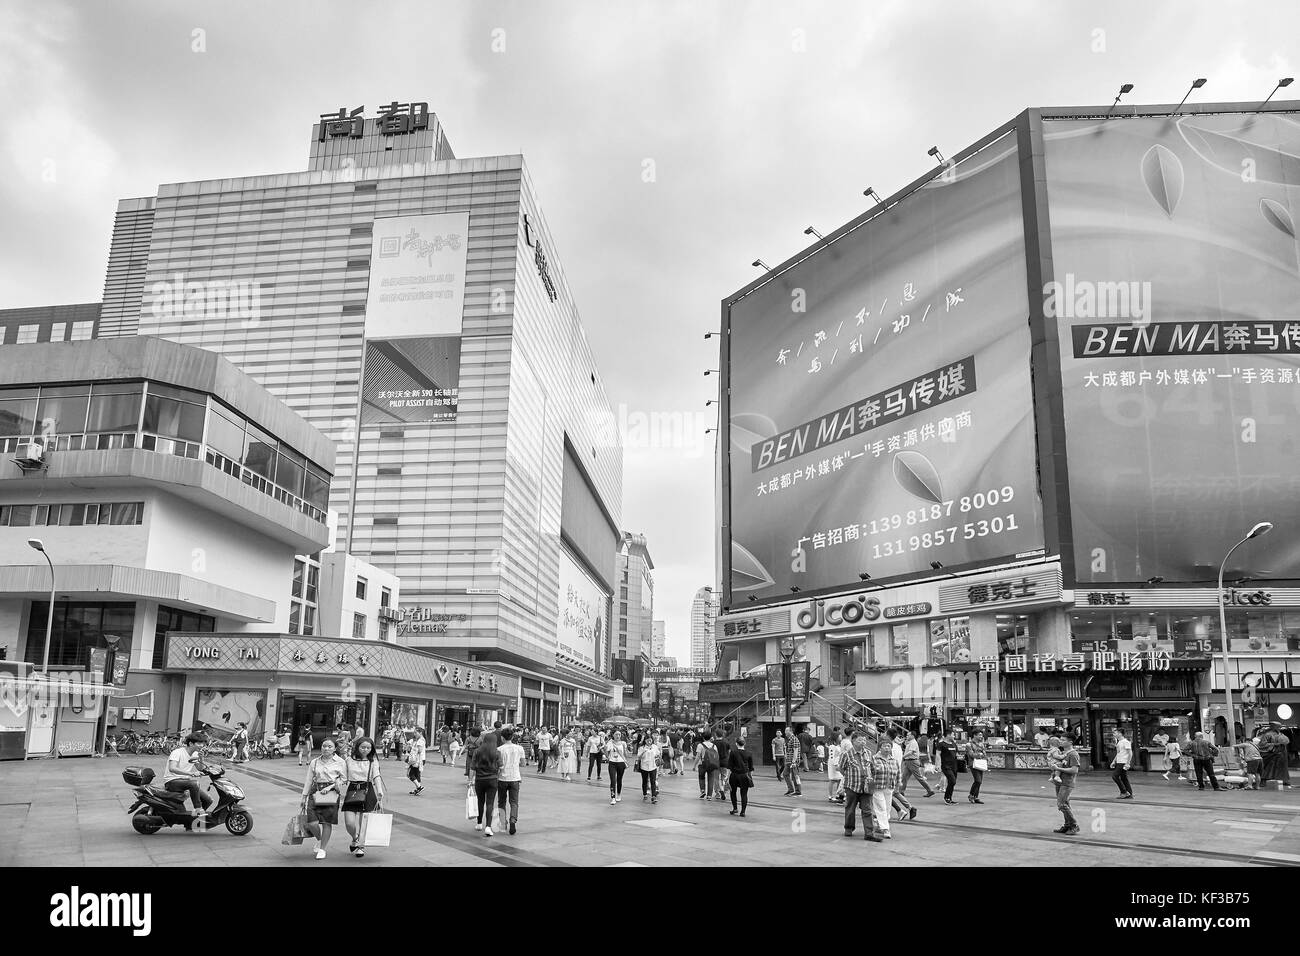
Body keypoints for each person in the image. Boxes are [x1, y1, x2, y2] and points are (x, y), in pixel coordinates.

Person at [300, 737, 347, 860]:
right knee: (312, 823)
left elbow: (344, 779)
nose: (326, 748)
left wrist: (333, 785)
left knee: (326, 822)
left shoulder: (341, 762)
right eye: (324, 746)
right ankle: (320, 840)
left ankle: (322, 848)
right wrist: (304, 796)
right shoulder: (314, 762)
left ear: (335, 749)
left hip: (331, 793)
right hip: (315, 792)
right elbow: (309, 780)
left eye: (329, 746)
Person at [341, 737, 385, 858]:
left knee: (364, 821)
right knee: (349, 823)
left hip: (367, 789)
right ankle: (355, 838)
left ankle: (361, 846)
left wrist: (379, 790)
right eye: (363, 747)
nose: (365, 750)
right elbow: (343, 777)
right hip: (353, 789)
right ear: (357, 747)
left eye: (368, 747)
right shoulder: (349, 760)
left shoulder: (373, 761)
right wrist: (335, 784)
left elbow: (376, 775)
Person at [838, 732, 878, 841]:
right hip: (852, 786)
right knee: (850, 809)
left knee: (868, 810)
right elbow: (841, 768)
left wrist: (871, 779)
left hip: (866, 787)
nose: (863, 742)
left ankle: (869, 833)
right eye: (860, 740)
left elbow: (873, 768)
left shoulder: (869, 753)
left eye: (864, 740)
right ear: (853, 741)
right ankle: (849, 828)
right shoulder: (846, 754)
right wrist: (850, 776)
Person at [164, 733, 214, 818]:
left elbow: (200, 768)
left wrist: (201, 758)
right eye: (199, 743)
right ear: (190, 743)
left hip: (185, 782)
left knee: (208, 800)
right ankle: (197, 810)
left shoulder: (195, 754)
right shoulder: (177, 752)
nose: (201, 746)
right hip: (172, 781)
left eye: (202, 743)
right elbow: (172, 768)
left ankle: (192, 821)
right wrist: (191, 773)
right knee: (194, 783)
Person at [869, 733, 900, 840]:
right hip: (877, 787)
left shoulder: (893, 760)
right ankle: (886, 828)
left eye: (889, 746)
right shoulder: (874, 759)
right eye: (885, 746)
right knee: (880, 807)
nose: (887, 748)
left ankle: (880, 824)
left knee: (887, 809)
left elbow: (898, 773)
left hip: (889, 787)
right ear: (880, 747)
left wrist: (897, 786)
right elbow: (870, 772)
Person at [471, 732, 501, 836]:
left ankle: (479, 823)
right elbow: (501, 767)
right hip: (492, 779)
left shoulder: (477, 751)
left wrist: (470, 780)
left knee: (480, 801)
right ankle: (488, 826)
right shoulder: (497, 752)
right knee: (490, 803)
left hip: (479, 779)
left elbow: (472, 768)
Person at [496, 726, 524, 835]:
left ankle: (503, 821)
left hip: (502, 778)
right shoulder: (519, 748)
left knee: (501, 801)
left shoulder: (499, 749)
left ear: (502, 738)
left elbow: (498, 765)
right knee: (514, 802)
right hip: (515, 778)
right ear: (512, 736)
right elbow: (522, 763)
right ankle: (513, 820)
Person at [1053, 732, 1081, 835]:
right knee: (1065, 804)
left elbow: (1074, 770)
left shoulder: (1073, 754)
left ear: (1070, 742)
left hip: (1067, 782)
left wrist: (1058, 768)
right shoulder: (1063, 753)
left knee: (1061, 804)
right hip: (1060, 781)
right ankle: (1067, 825)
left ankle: (1074, 825)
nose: (1061, 741)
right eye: (1060, 739)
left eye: (1063, 740)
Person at [899, 730, 935, 799]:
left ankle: (930, 790)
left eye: (908, 735)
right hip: (909, 761)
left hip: (912, 762)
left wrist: (903, 756)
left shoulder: (913, 742)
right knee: (904, 777)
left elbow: (911, 752)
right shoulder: (910, 742)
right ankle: (901, 791)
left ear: (912, 736)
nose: (907, 736)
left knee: (919, 777)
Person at [1259, 723, 1293, 788]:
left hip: (1282, 753)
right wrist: (1274, 744)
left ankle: (1283, 779)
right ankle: (1264, 780)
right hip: (1272, 753)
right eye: (1278, 727)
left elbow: (1286, 742)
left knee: (1282, 767)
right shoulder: (1267, 734)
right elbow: (1261, 744)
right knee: (1269, 767)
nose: (1279, 728)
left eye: (1280, 727)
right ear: (1273, 727)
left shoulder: (1281, 734)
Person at [727, 735, 754, 817]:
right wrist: (750, 777)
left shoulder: (733, 752)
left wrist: (727, 777)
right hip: (744, 775)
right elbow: (751, 768)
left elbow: (730, 766)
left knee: (733, 792)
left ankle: (735, 808)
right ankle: (743, 812)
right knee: (744, 793)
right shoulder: (749, 753)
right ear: (744, 744)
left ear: (736, 743)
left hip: (734, 775)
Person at [696, 730, 721, 800]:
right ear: (710, 737)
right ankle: (709, 796)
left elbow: (698, 756)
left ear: (703, 737)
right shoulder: (714, 746)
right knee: (711, 779)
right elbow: (717, 756)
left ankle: (702, 791)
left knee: (701, 777)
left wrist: (694, 765)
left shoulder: (700, 745)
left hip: (702, 764)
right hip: (712, 765)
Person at [635, 735, 660, 804]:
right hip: (644, 767)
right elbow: (639, 757)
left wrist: (657, 755)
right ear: (645, 740)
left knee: (653, 781)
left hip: (653, 766)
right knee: (645, 781)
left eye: (650, 740)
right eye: (647, 740)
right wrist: (644, 752)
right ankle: (645, 793)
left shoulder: (654, 747)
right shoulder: (641, 748)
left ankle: (653, 796)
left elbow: (658, 754)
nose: (649, 741)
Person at [605, 730, 628, 805]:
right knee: (613, 780)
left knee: (619, 779)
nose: (618, 736)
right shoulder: (610, 743)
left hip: (621, 763)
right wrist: (607, 757)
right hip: (612, 763)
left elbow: (626, 754)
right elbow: (606, 751)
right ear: (613, 735)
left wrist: (625, 749)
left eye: (619, 734)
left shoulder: (623, 743)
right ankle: (613, 797)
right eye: (616, 734)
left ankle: (618, 794)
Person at [1110, 728, 1134, 799]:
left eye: (1115, 733)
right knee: (1124, 778)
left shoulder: (1125, 742)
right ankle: (1129, 794)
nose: (1114, 734)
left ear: (1120, 733)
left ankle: (1124, 792)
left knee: (1115, 776)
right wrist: (1114, 761)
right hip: (1119, 762)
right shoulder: (1119, 742)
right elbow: (1118, 753)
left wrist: (1128, 763)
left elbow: (1130, 753)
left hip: (1123, 762)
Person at [936, 729, 959, 804]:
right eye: (953, 734)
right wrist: (938, 765)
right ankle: (947, 797)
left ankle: (950, 798)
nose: (954, 736)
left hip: (954, 766)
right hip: (946, 766)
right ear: (948, 735)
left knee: (952, 782)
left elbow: (956, 754)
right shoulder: (941, 744)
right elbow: (938, 755)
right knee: (952, 781)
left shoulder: (953, 744)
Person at [965, 733, 987, 804]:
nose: (981, 736)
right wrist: (979, 755)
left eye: (981, 735)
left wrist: (983, 755)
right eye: (979, 735)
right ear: (974, 735)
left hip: (981, 763)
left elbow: (984, 753)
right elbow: (971, 755)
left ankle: (976, 797)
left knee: (979, 781)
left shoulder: (981, 744)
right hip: (973, 764)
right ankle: (971, 795)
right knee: (978, 781)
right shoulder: (968, 744)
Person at [781, 728, 802, 797]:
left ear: (790, 731)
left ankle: (798, 791)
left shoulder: (794, 739)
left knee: (795, 776)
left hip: (793, 761)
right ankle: (791, 790)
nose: (785, 732)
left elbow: (796, 751)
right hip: (789, 761)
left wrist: (794, 761)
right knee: (785, 774)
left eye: (786, 731)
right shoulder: (790, 739)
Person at [407, 727, 427, 796]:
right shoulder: (419, 740)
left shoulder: (420, 740)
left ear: (420, 733)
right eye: (414, 732)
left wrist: (412, 747)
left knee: (410, 774)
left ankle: (419, 787)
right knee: (416, 774)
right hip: (419, 759)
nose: (414, 734)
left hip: (418, 760)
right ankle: (418, 789)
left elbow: (419, 750)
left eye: (416, 732)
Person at [826, 733, 843, 802]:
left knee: (839, 779)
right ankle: (830, 796)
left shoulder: (839, 745)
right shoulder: (832, 746)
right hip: (833, 764)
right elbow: (832, 756)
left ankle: (838, 794)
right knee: (832, 780)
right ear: (836, 738)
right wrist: (835, 765)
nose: (841, 737)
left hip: (838, 763)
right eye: (840, 736)